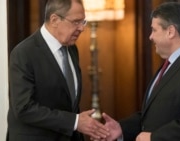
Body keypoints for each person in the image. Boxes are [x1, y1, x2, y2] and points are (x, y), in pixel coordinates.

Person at [96, 2, 180, 141]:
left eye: (154, 30)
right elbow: (154, 115)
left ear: (170, 32)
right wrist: (121, 128)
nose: (151, 37)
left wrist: (155, 138)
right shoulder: (170, 64)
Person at [7, 0, 109, 140]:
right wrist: (74, 122)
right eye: (76, 22)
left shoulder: (72, 48)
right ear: (54, 19)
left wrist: (84, 126)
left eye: (83, 22)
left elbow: (68, 103)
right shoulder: (24, 53)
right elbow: (24, 109)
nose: (82, 28)